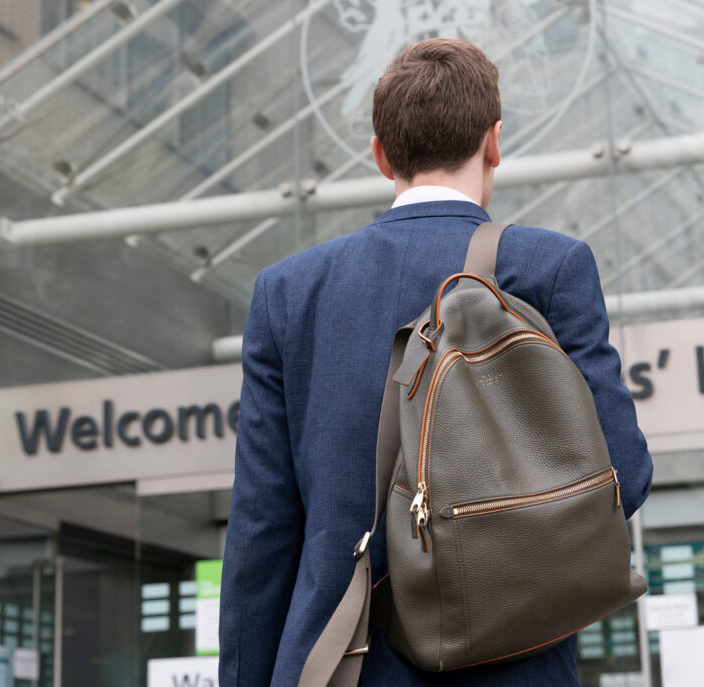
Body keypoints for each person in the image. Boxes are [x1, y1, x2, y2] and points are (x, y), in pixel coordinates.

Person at [219, 37, 653, 686]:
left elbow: (261, 534)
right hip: (512, 665)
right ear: (494, 142)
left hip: (340, 664)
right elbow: (626, 476)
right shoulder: (548, 269)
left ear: (380, 155)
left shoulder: (290, 293)